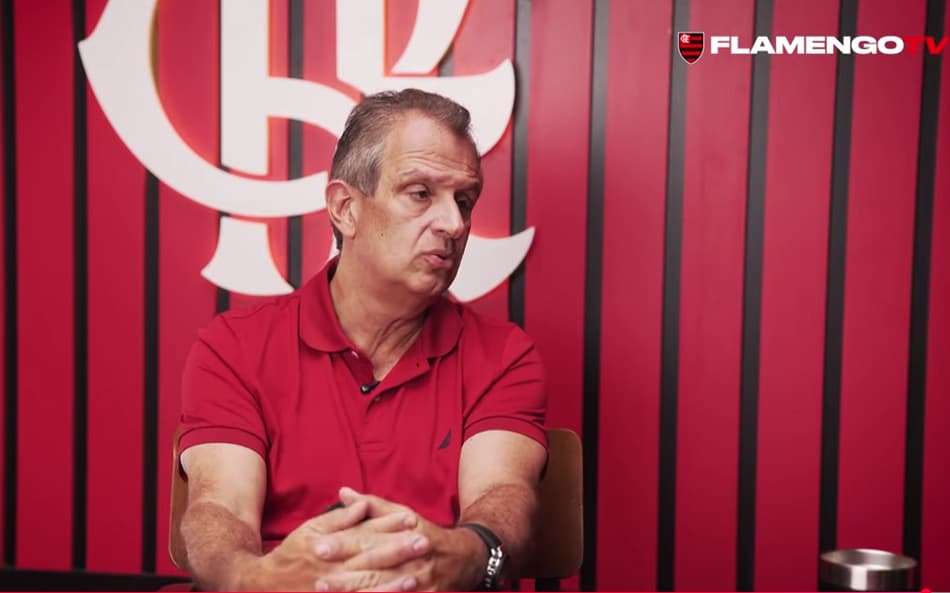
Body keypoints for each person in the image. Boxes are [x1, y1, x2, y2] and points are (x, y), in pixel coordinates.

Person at [176, 89, 548, 591]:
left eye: (464, 200)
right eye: (421, 194)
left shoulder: (504, 356)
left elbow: (502, 496)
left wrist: (461, 554)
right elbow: (219, 509)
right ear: (345, 208)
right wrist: (255, 580)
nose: (455, 224)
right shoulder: (234, 346)